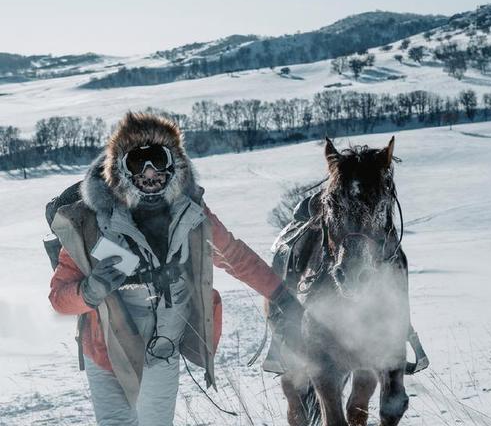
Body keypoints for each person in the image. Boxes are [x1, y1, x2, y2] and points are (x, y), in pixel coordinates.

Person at [48, 111, 302, 426]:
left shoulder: (192, 214)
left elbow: (233, 254)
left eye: (158, 158)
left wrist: (280, 294)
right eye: (137, 163)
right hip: (104, 348)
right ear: (121, 168)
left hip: (161, 344)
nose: (150, 171)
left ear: (174, 163)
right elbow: (58, 297)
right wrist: (92, 289)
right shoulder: (90, 220)